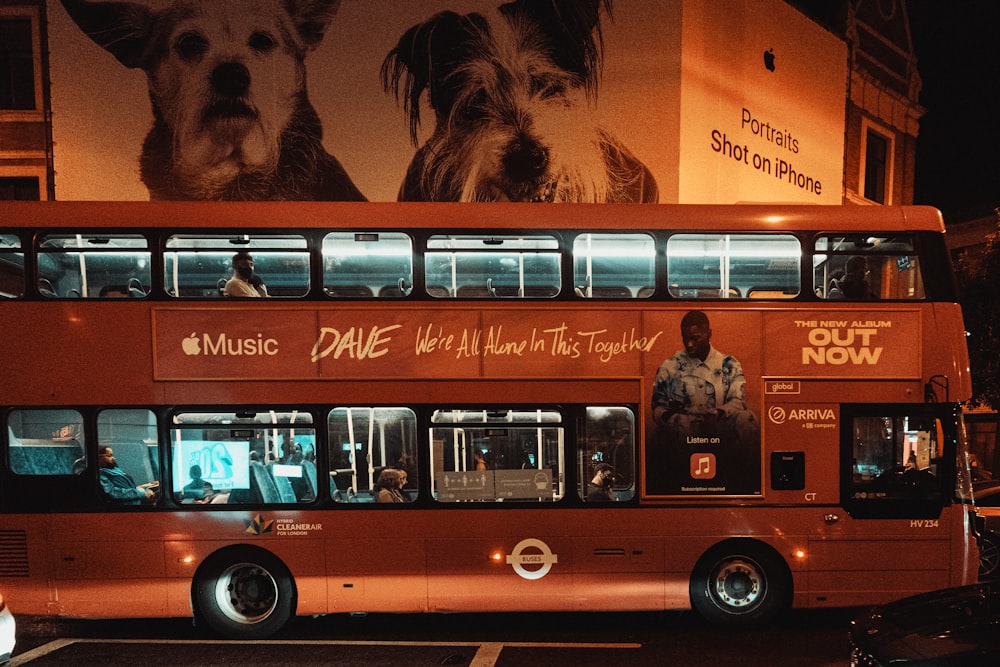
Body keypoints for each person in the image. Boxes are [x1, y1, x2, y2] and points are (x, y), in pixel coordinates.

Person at [650, 310, 760, 493]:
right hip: (686, 425)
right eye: (685, 338)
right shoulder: (669, 366)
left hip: (719, 423)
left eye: (695, 338)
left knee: (747, 419)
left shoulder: (728, 364)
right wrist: (676, 416)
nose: (689, 344)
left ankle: (750, 485)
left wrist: (718, 414)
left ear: (709, 334)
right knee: (681, 425)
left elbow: (738, 401)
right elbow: (657, 408)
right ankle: (686, 485)